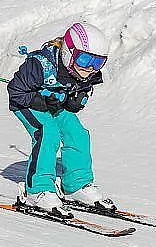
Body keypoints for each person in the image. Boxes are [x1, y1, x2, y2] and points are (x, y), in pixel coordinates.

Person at [7, 21, 114, 217]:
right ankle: (37, 190)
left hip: (53, 105)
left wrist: (75, 100)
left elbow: (78, 97)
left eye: (97, 62)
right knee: (48, 134)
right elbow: (15, 91)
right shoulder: (40, 65)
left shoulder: (87, 74)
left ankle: (76, 185)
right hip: (27, 103)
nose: (90, 68)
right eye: (84, 60)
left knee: (78, 134)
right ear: (68, 52)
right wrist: (40, 99)